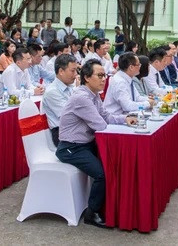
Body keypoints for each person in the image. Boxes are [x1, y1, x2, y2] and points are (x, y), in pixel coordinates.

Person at [56, 59, 136, 228]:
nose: (104, 79)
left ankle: (116, 206)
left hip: (87, 144)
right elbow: (100, 125)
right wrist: (117, 121)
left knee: (115, 162)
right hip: (71, 147)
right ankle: (92, 213)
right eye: (99, 75)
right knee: (102, 174)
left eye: (105, 75)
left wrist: (125, 119)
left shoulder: (94, 95)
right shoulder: (82, 97)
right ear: (86, 77)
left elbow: (106, 116)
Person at [41, 53, 79, 146]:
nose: (76, 74)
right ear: (61, 71)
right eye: (73, 71)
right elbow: (69, 116)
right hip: (62, 135)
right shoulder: (52, 92)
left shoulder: (70, 86)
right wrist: (79, 93)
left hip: (75, 129)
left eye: (76, 70)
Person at [104, 52, 154, 116]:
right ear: (131, 67)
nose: (140, 66)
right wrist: (148, 104)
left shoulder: (127, 78)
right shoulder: (120, 82)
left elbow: (137, 97)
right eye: (138, 64)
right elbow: (127, 106)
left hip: (127, 115)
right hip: (116, 118)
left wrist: (149, 99)